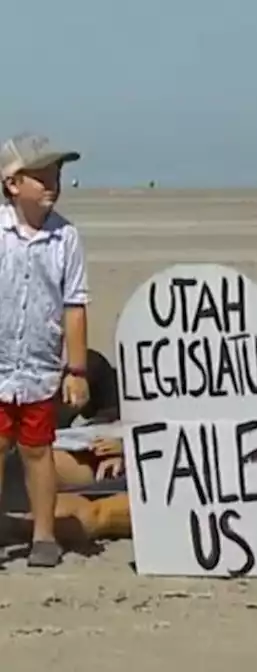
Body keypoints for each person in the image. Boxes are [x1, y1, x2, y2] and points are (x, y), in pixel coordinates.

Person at [0, 132, 89, 568]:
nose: (52, 182)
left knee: (38, 450)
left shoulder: (65, 238)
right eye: (41, 176)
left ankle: (44, 535)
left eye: (57, 173)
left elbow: (75, 305)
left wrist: (77, 370)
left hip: (39, 368)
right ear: (13, 184)